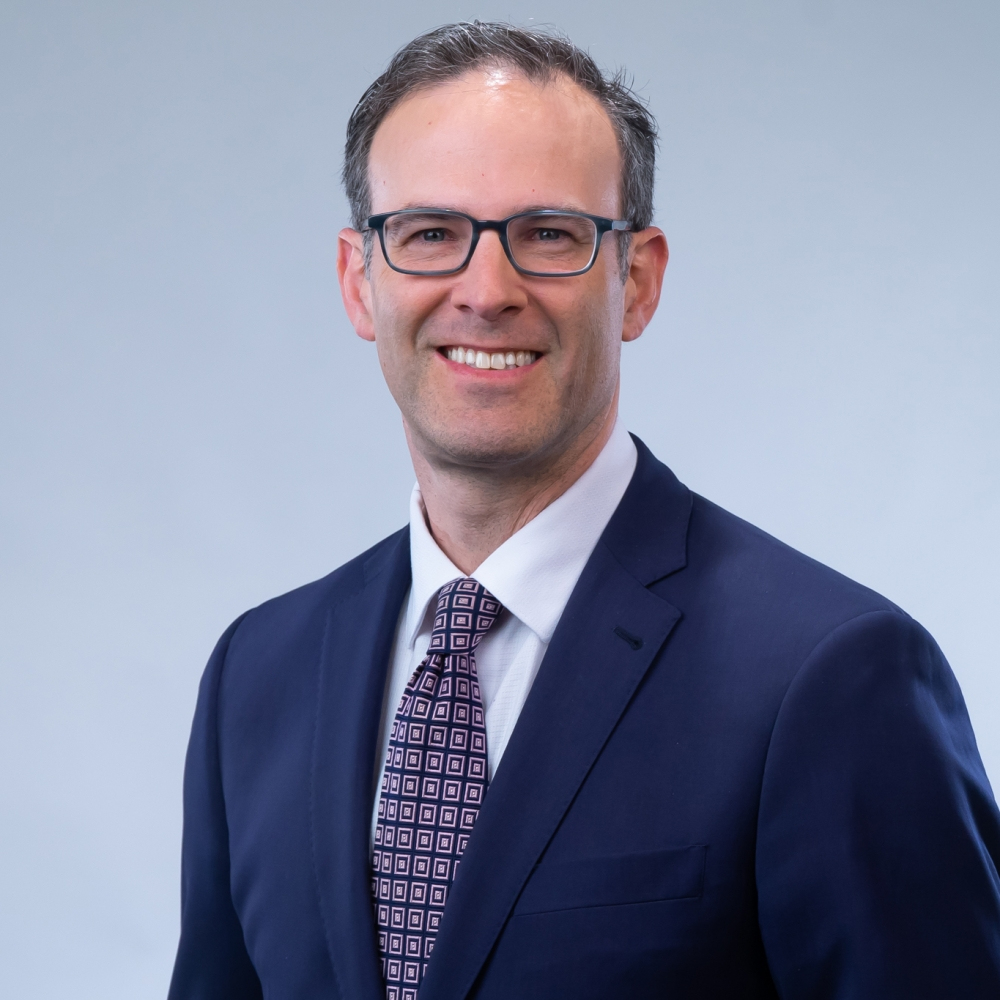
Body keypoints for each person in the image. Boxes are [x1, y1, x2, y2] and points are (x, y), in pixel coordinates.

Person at [167, 21, 1000, 1000]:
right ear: (361, 281)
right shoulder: (256, 677)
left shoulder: (829, 678)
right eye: (431, 233)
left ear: (635, 280)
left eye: (547, 235)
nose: (486, 291)